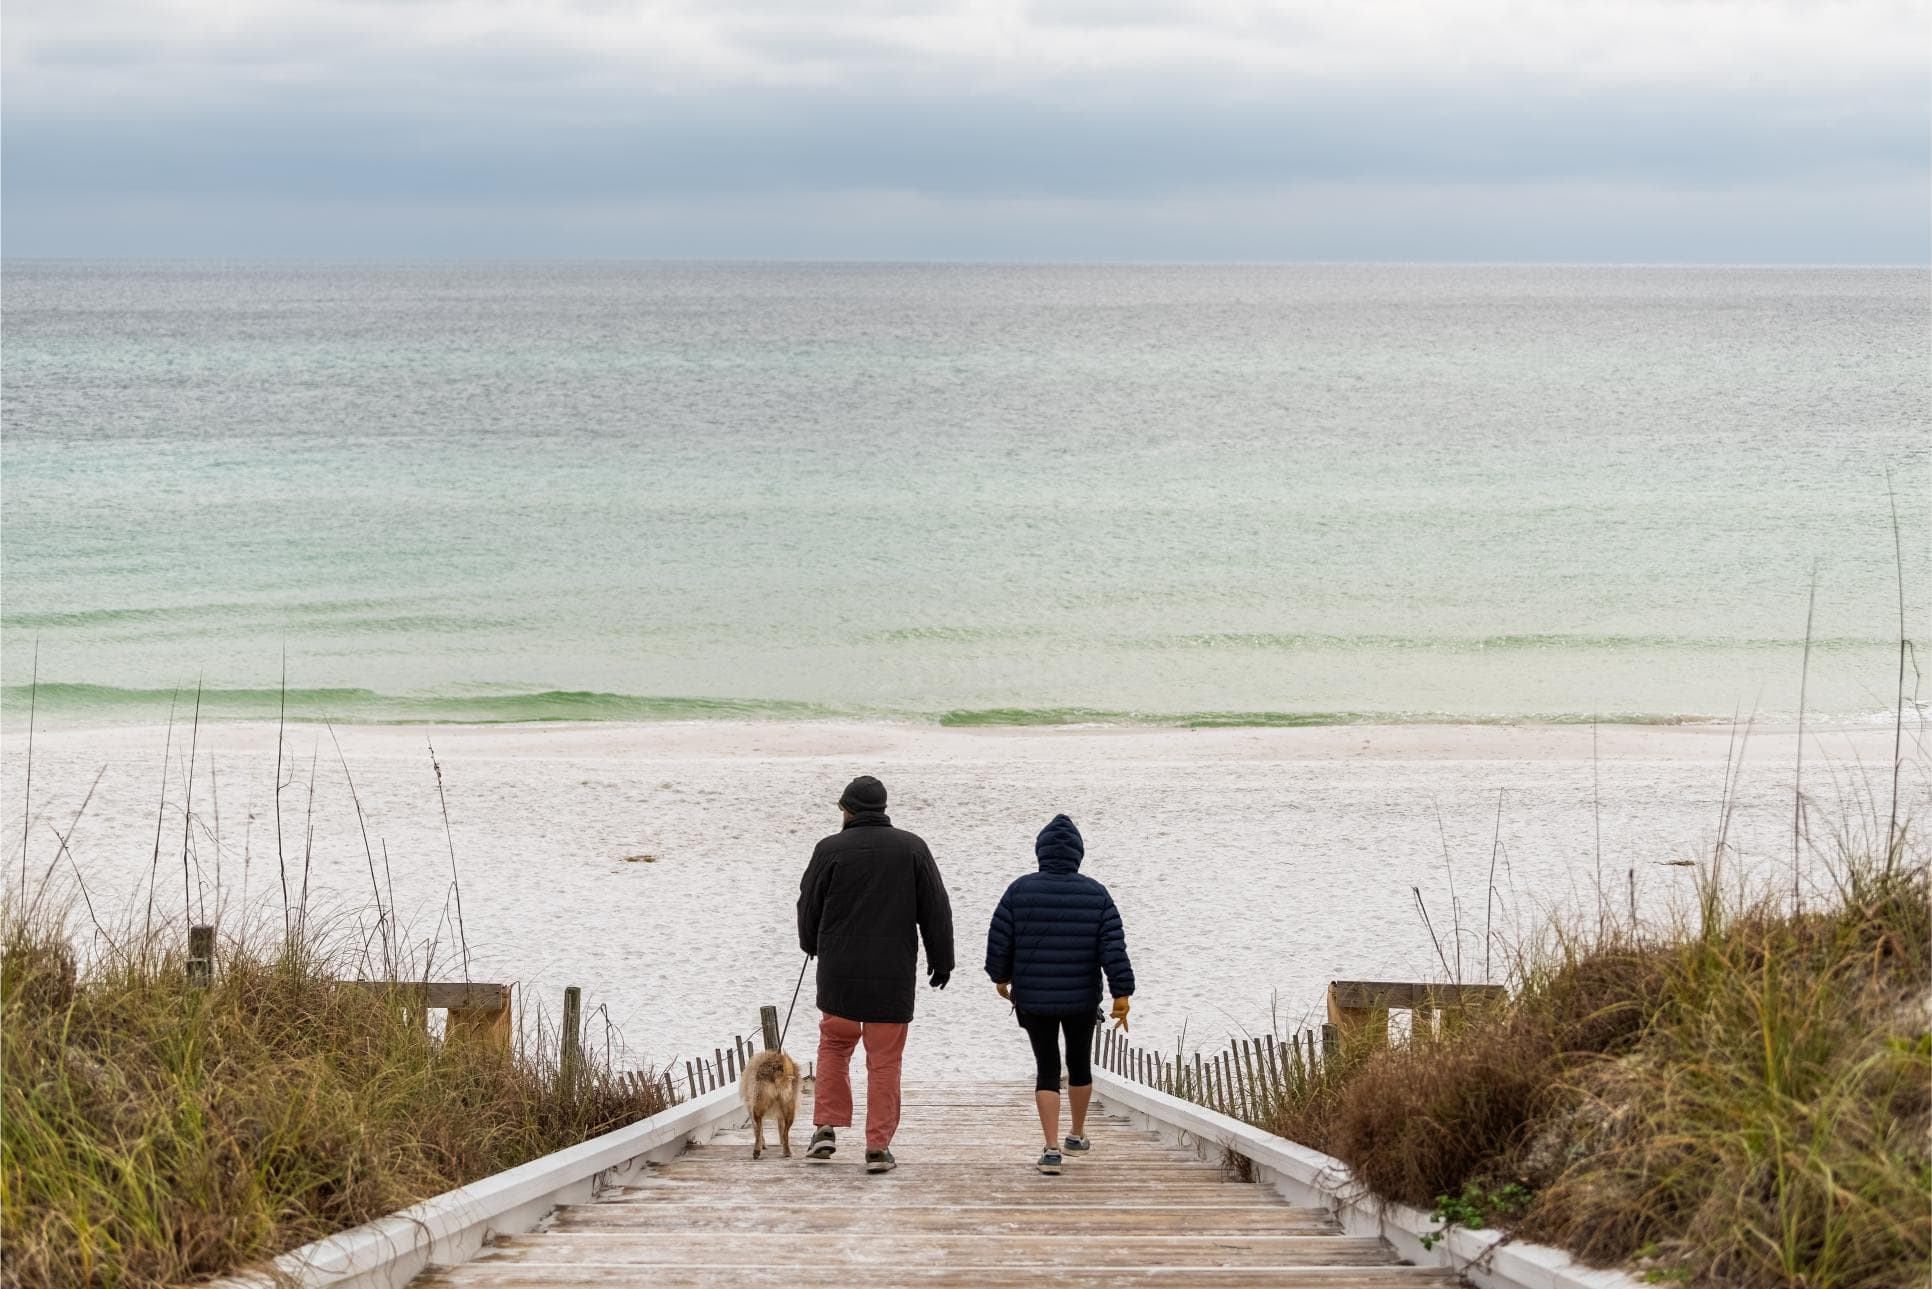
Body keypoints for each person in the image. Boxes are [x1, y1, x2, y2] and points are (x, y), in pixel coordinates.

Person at [796, 774, 955, 1174]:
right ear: (883, 809)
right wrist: (942, 959)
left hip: (840, 974)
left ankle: (826, 1129)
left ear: (847, 810)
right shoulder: (912, 848)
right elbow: (936, 909)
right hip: (892, 975)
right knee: (884, 1062)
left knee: (834, 1047)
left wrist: (810, 944)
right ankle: (877, 1148)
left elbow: (807, 904)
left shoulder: (829, 849)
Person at [985, 813, 1134, 1174]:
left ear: (1040, 852)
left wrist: (1000, 977)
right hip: (1082, 998)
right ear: (1078, 854)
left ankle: (1051, 1149)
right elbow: (1112, 948)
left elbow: (999, 940)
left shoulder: (1019, 890)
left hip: (1034, 999)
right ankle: (1077, 1135)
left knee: (1047, 1068)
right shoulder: (1096, 893)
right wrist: (1121, 994)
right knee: (1080, 1064)